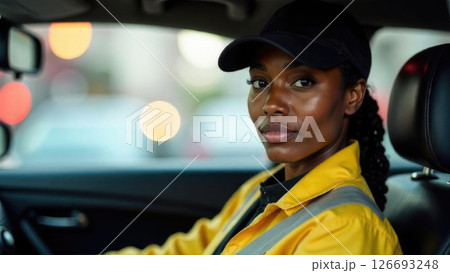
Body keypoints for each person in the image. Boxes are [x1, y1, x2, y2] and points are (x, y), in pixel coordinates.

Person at [109, 0, 402, 255]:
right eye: (261, 83)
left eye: (303, 82)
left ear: (353, 96)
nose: (271, 104)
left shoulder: (345, 229)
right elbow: (184, 254)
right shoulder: (260, 191)